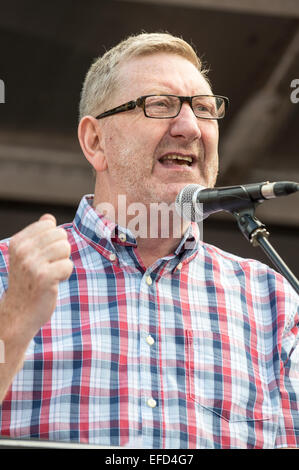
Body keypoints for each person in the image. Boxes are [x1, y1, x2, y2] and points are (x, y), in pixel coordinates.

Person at [0, 32, 298, 449]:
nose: (191, 127)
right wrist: (12, 323)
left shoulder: (274, 300)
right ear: (95, 141)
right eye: (160, 105)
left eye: (205, 110)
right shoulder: (8, 273)